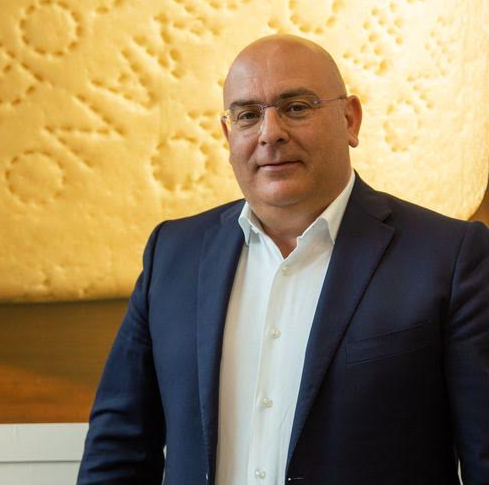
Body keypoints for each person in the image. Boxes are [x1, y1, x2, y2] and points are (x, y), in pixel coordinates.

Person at [77, 35, 489, 485]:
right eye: (248, 115)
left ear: (350, 120)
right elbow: (118, 450)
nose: (270, 132)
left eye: (296, 107)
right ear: (228, 136)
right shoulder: (173, 253)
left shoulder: (450, 257)